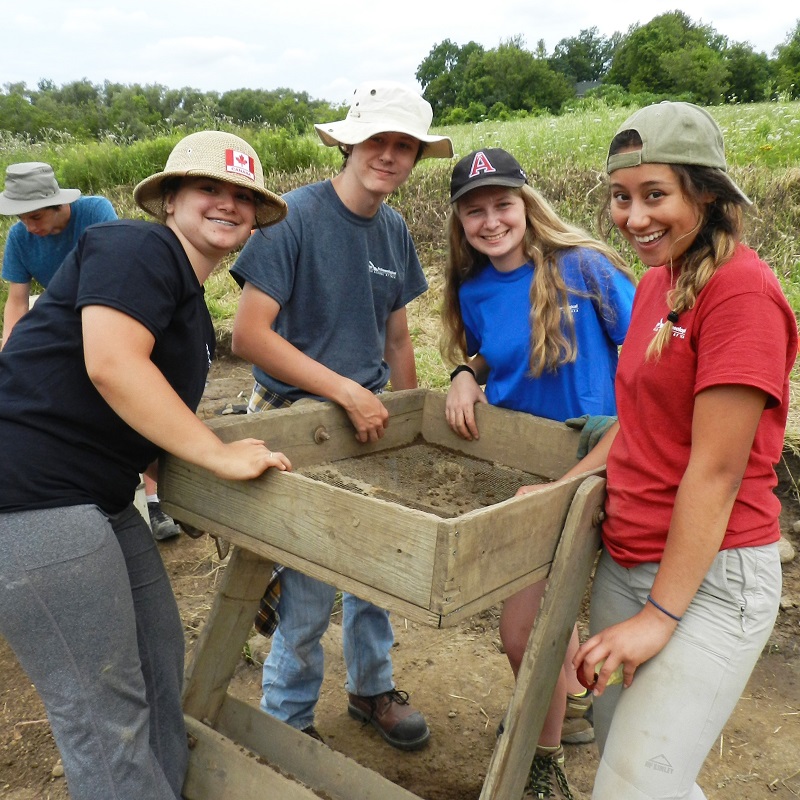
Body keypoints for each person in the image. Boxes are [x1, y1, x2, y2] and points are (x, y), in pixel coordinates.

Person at [519, 101, 798, 799]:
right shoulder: (654, 283)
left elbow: (718, 468)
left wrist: (660, 618)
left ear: (706, 193)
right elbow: (634, 426)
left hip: (711, 580)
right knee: (629, 764)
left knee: (636, 785)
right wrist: (563, 490)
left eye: (655, 195)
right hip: (631, 559)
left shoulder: (741, 295)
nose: (634, 217)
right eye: (621, 197)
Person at [0, 130, 290, 800]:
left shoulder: (188, 299)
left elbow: (143, 407)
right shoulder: (137, 246)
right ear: (171, 200)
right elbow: (111, 363)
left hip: (97, 495)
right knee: (103, 719)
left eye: (243, 195)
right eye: (208, 188)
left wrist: (172, 464)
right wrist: (215, 454)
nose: (228, 203)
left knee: (159, 667)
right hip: (29, 491)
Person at [230, 80, 453, 751]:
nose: (389, 155)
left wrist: (408, 422)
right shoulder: (293, 217)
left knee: (377, 566)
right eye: (377, 140)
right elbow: (249, 336)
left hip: (369, 417)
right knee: (306, 589)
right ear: (350, 143)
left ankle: (371, 689)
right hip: (296, 416)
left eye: (404, 145)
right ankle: (287, 722)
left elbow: (396, 340)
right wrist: (345, 392)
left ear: (415, 157)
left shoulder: (393, 231)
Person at [442, 147, 635, 799]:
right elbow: (498, 353)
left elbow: (648, 351)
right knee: (539, 624)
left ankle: (544, 757)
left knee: (524, 632)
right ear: (460, 223)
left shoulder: (584, 267)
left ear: (527, 204)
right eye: (475, 212)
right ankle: (565, 705)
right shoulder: (474, 290)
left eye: (502, 204)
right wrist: (467, 373)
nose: (491, 221)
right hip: (525, 467)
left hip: (597, 463)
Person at [0, 162, 180, 539]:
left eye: (34, 217)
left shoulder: (95, 212)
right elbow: (17, 302)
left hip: (115, 316)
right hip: (66, 328)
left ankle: (157, 503)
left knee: (133, 406)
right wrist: (11, 354)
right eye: (22, 218)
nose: (29, 227)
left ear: (57, 204)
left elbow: (115, 273)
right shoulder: (20, 238)